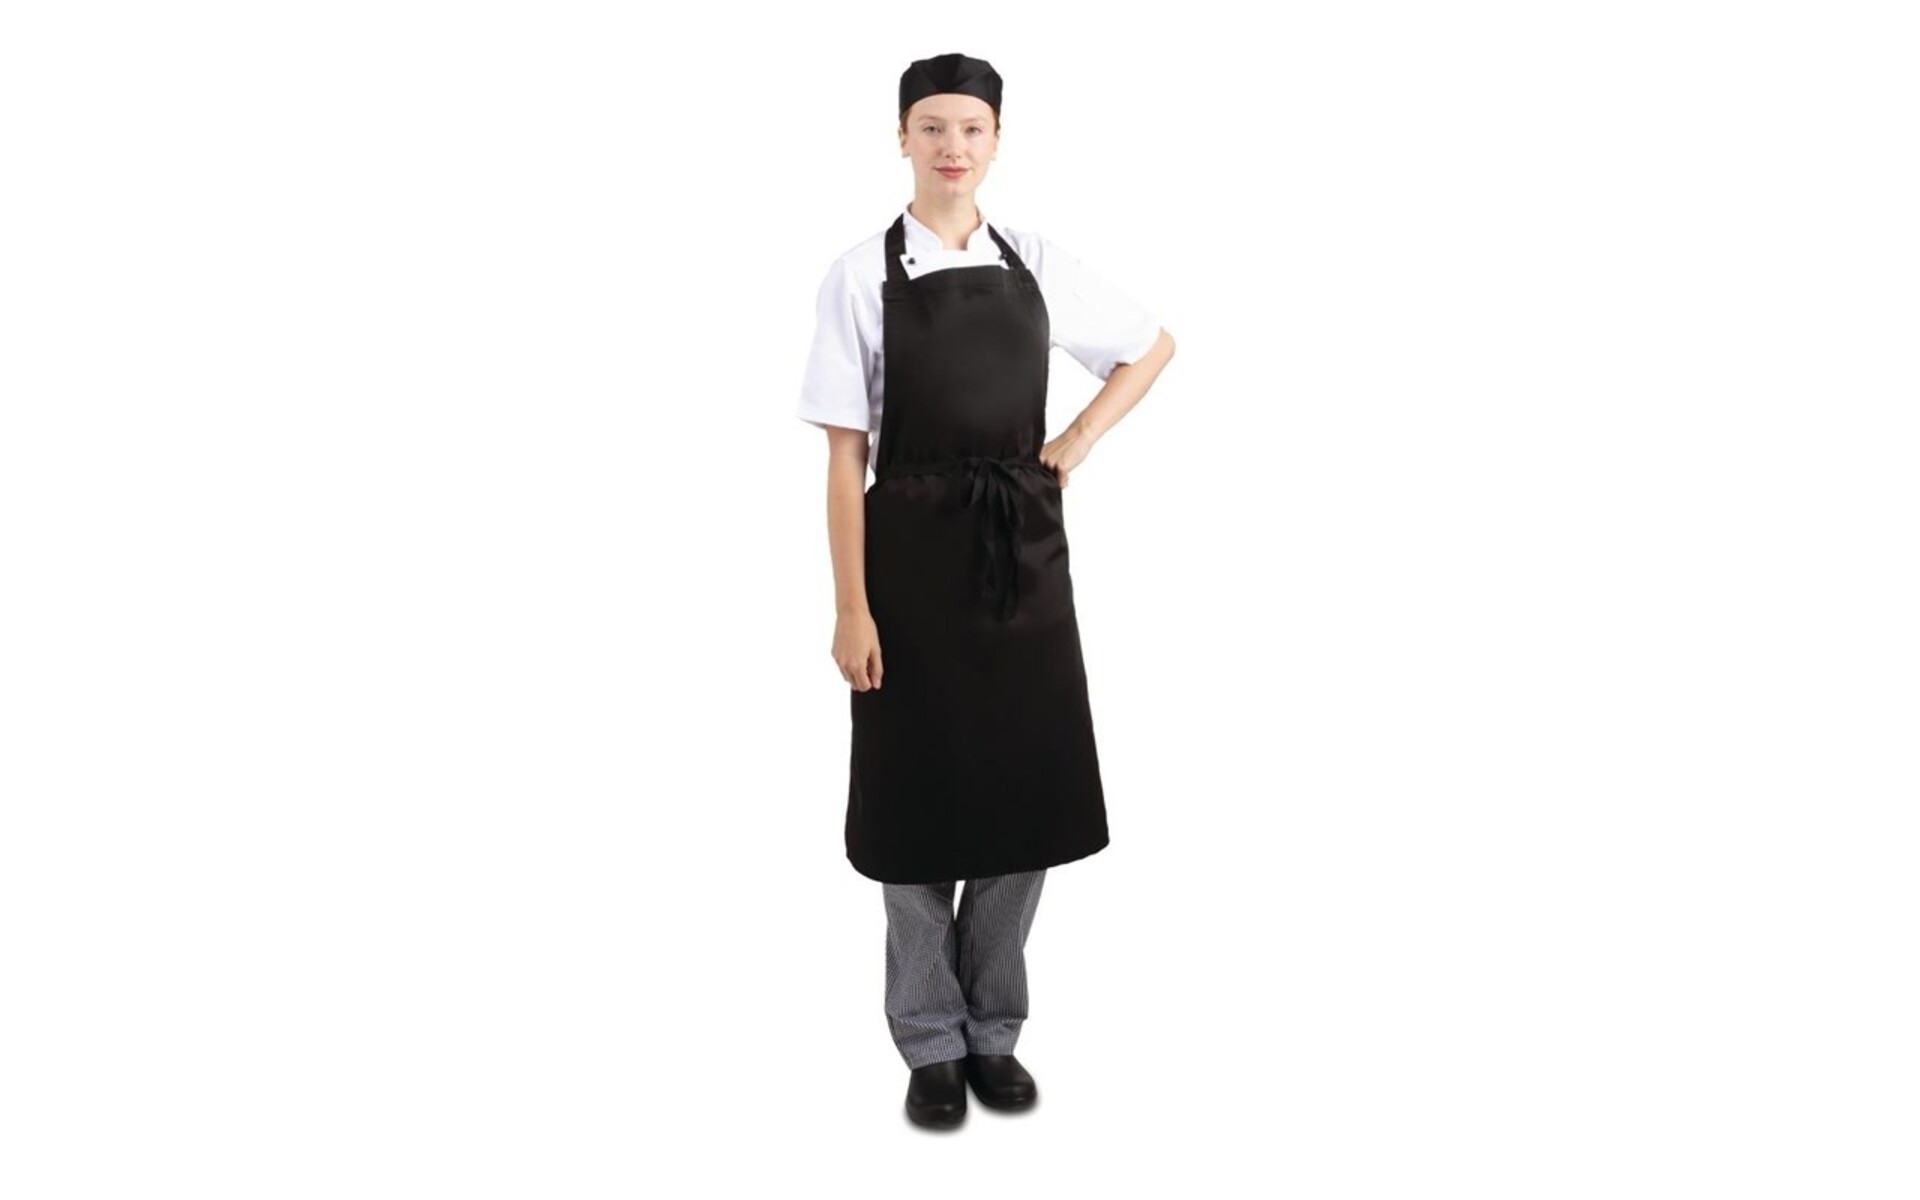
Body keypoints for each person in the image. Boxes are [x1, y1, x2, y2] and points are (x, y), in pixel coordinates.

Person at [796, 51, 1176, 1130]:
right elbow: (843, 457)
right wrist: (851, 606)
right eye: (931, 127)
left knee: (1024, 793)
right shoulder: (857, 276)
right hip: (908, 563)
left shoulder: (1037, 260)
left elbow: (1151, 348)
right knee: (913, 802)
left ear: (996, 141)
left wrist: (1075, 442)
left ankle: (994, 1028)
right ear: (902, 138)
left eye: (970, 128)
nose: (951, 146)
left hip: (1024, 556)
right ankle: (929, 1038)